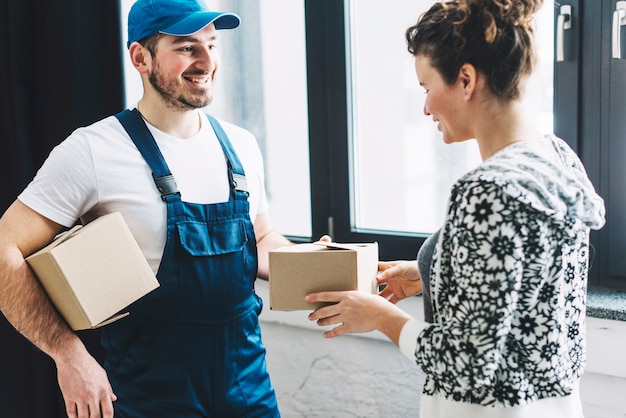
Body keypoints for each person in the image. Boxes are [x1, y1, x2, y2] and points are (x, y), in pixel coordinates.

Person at [306, 0, 606, 417]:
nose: (425, 108)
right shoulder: (557, 158)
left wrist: (378, 316)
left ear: (466, 79)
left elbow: (466, 366)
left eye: (427, 88)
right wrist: (431, 272)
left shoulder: (487, 189)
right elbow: (521, 283)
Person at [0, 0, 292, 416]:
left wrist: (323, 266)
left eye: (212, 44)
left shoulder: (241, 146)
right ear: (140, 57)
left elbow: (261, 239)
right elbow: (3, 249)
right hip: (150, 393)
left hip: (246, 385)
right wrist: (67, 353)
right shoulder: (93, 151)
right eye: (187, 48)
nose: (207, 61)